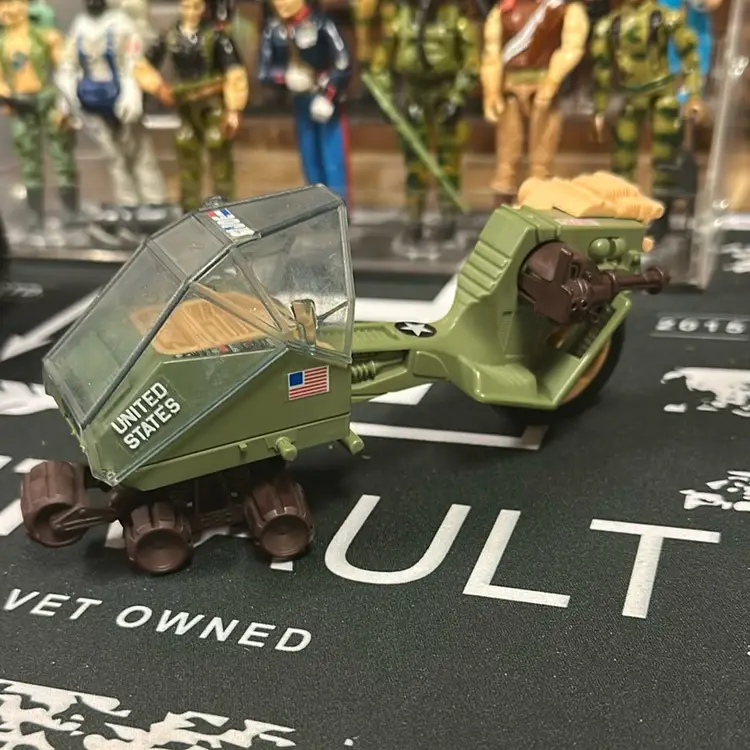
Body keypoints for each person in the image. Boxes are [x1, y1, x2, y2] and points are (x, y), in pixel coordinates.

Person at [369, 0, 479, 243]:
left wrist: (457, 97)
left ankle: (448, 218)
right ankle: (414, 219)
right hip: (414, 96)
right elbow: (380, 63)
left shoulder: (455, 19)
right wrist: (386, 98)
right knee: (414, 162)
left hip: (445, 93)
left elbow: (471, 63)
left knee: (448, 161)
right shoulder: (400, 20)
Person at [57, 0, 170, 228]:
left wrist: (131, 93)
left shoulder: (122, 23)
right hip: (93, 102)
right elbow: (68, 64)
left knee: (139, 151)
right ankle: (128, 203)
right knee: (115, 156)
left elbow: (133, 62)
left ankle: (154, 202)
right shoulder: (79, 26)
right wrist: (67, 98)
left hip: (123, 99)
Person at [133, 0, 249, 212]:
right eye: (187, 6)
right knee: (186, 147)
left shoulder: (217, 36)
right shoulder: (171, 36)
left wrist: (234, 109)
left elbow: (235, 72)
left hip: (213, 104)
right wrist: (158, 87)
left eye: (196, 7)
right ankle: (189, 209)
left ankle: (226, 208)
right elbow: (143, 65)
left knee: (218, 147)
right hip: (186, 108)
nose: (191, 12)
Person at [258, 0, 352, 204]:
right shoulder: (273, 30)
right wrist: (284, 76)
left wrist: (329, 94)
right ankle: (317, 206)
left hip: (326, 98)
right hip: (301, 100)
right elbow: (264, 72)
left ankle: (339, 206)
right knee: (310, 159)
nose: (280, 4)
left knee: (332, 159)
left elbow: (343, 62)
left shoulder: (323, 24)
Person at [0, 0, 80, 234]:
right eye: (2, 5)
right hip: (20, 103)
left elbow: (65, 67)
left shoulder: (44, 35)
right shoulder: (2, 42)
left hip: (48, 99)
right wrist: (7, 96)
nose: (6, 11)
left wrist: (65, 102)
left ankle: (71, 210)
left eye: (11, 3)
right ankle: (35, 213)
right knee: (28, 157)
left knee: (61, 152)